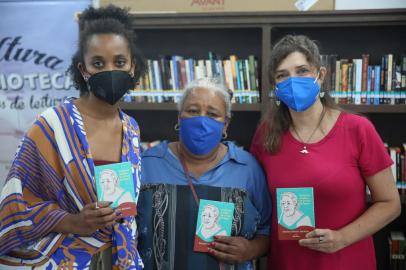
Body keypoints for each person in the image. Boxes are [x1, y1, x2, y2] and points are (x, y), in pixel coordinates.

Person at [0, 5, 145, 269]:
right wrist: (73, 222)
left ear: (132, 67)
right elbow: (16, 201)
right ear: (83, 69)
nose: (109, 70)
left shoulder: (132, 129)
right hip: (60, 259)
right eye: (98, 63)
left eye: (119, 62)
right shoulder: (52, 125)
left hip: (119, 258)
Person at [250, 34, 401, 270]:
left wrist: (343, 238)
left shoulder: (357, 129)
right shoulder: (265, 135)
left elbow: (390, 203)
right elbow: (258, 204)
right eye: (282, 75)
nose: (293, 81)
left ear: (320, 76)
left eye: (302, 71)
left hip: (347, 261)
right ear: (275, 87)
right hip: (287, 263)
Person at [137, 77, 272, 270]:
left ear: (225, 125)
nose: (201, 120)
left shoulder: (247, 168)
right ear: (179, 118)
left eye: (212, 114)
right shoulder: (147, 164)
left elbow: (267, 230)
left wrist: (250, 249)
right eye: (192, 111)